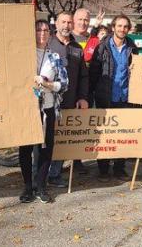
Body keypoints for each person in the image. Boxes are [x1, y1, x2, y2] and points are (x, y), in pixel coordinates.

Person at [19, 19, 68, 204]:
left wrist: (47, 84)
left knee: (46, 150)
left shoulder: (54, 57)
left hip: (47, 109)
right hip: (26, 110)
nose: (42, 33)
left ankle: (41, 186)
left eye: (46, 30)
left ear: (50, 33)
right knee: (25, 150)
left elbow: (64, 84)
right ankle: (27, 187)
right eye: (38, 29)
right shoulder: (23, 55)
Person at [89, 14, 142, 181]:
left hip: (125, 97)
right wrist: (91, 94)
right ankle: (103, 169)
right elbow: (94, 73)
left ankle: (119, 168)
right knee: (105, 135)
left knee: (123, 135)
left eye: (125, 26)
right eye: (119, 26)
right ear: (113, 27)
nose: (122, 29)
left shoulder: (132, 48)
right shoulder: (102, 47)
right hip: (106, 97)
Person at [47, 12, 90, 185]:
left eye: (69, 22)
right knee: (46, 140)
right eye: (63, 22)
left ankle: (55, 175)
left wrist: (83, 97)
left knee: (63, 140)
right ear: (56, 24)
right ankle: (40, 175)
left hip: (70, 101)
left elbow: (83, 76)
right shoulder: (47, 44)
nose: (66, 25)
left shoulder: (77, 47)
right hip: (48, 102)